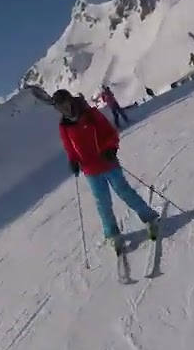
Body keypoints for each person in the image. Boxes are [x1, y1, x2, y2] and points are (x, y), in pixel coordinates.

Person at [52, 89, 159, 250]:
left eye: (64, 104)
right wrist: (73, 160)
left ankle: (149, 217)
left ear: (70, 100)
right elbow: (70, 148)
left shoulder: (90, 114)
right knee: (102, 203)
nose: (63, 109)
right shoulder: (64, 126)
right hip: (90, 170)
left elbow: (110, 133)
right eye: (59, 107)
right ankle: (112, 233)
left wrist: (110, 148)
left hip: (107, 162)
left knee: (124, 192)